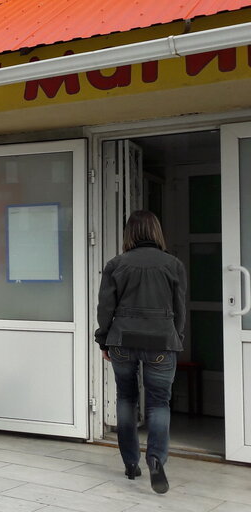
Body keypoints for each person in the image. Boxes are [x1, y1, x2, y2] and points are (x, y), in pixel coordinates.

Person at [95, 210, 186, 494]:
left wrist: (103, 341)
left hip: (122, 340)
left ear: (129, 234)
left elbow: (105, 308)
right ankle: (156, 459)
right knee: (159, 403)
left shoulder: (116, 264)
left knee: (126, 398)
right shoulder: (173, 264)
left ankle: (130, 463)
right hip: (161, 343)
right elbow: (180, 309)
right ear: (156, 232)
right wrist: (176, 338)